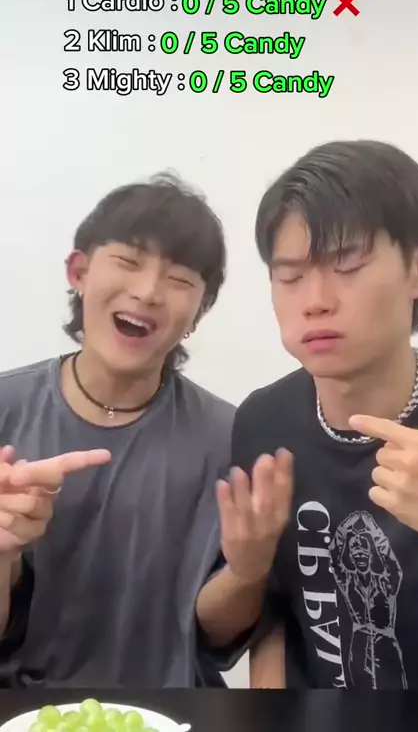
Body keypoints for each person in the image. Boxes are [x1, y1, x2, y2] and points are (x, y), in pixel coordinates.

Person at [196, 140, 418, 690]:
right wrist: (247, 573)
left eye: (347, 266)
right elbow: (249, 627)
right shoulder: (264, 422)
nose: (316, 300)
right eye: (290, 276)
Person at [0, 172, 235, 688]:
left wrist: (252, 569)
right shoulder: (6, 412)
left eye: (179, 280)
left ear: (200, 310)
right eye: (128, 262)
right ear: (79, 272)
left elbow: (218, 642)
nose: (148, 292)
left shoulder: (229, 438)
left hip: (173, 713)